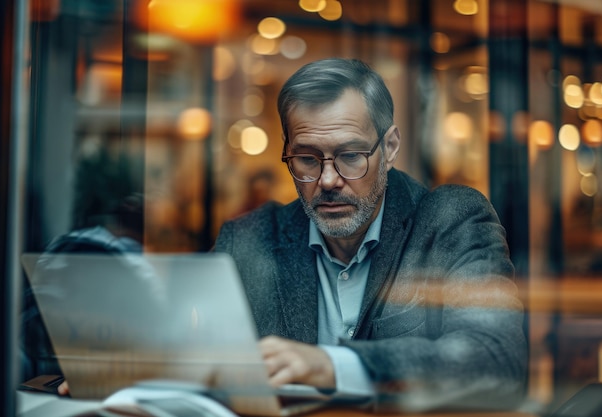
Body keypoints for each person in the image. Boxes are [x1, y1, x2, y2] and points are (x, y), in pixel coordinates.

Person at [213, 58, 528, 412]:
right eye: (307, 158)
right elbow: (198, 365)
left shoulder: (450, 220)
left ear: (390, 147)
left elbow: (497, 363)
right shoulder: (248, 240)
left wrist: (331, 366)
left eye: (350, 155)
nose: (328, 180)